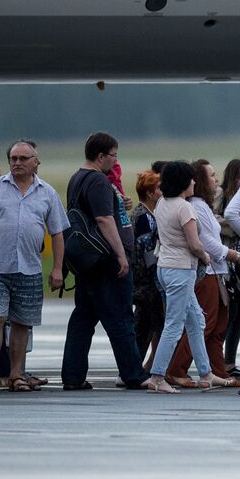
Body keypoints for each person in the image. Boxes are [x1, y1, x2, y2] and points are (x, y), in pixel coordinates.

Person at [0, 141, 66, 392]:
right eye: (13, 158)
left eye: (23, 158)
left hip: (29, 267)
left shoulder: (47, 193)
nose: (17, 163)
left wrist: (58, 268)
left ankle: (17, 374)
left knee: (22, 322)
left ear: (35, 161)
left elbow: (58, 233)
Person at [61, 132, 149, 392]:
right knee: (121, 318)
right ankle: (133, 373)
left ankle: (73, 375)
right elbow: (103, 219)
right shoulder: (98, 180)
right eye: (113, 155)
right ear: (101, 156)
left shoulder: (77, 178)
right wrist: (121, 254)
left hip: (87, 261)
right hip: (106, 260)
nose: (115, 160)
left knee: (83, 319)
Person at [168, 159, 240, 389]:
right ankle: (177, 369)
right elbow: (207, 243)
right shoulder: (196, 206)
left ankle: (218, 371)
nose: (216, 179)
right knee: (205, 323)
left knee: (219, 325)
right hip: (208, 272)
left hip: (218, 271)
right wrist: (233, 255)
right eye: (211, 175)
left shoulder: (203, 205)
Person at [145, 161, 218, 393]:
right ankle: (157, 377)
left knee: (196, 320)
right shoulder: (185, 208)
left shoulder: (161, 203)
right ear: (184, 182)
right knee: (174, 325)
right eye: (191, 178)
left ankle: (206, 373)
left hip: (165, 267)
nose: (195, 182)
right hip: (181, 270)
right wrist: (206, 257)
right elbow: (194, 244)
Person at [130, 169, 165, 374]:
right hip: (146, 281)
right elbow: (147, 252)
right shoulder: (144, 217)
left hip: (146, 280)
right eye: (159, 188)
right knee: (146, 326)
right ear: (151, 193)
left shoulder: (148, 214)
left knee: (146, 325)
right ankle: (135, 369)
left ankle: (137, 367)